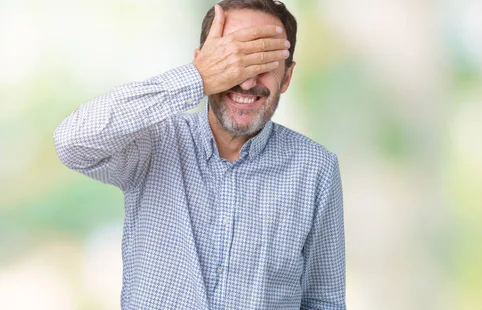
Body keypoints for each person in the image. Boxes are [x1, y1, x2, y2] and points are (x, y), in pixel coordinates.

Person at [53, 0, 345, 309]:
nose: (247, 81)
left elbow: (323, 300)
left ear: (286, 77)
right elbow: (72, 143)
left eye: (263, 64)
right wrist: (196, 77)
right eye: (233, 61)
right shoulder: (155, 141)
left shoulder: (315, 169)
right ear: (204, 62)